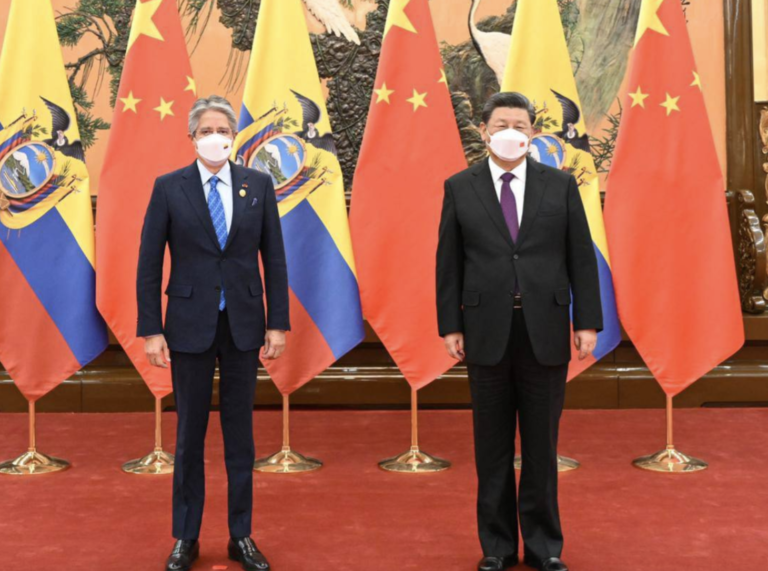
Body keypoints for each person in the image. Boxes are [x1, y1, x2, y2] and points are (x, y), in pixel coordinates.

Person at [436, 92, 603, 571]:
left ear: (533, 133)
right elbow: (448, 262)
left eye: (521, 124)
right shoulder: (460, 186)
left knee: (540, 446)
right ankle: (497, 547)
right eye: (502, 123)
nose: (512, 131)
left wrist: (587, 320)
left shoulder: (560, 185)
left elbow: (580, 258)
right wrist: (450, 325)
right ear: (484, 131)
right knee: (491, 447)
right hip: (484, 328)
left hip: (545, 329)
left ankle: (545, 547)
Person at [137, 95, 290, 571]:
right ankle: (186, 536)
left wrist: (278, 322)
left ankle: (240, 535)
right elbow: (147, 264)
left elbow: (276, 259)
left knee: (240, 435)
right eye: (206, 130)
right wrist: (150, 330)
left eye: (223, 128)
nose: (215, 137)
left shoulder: (258, 185)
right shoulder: (169, 187)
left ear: (234, 136)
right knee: (189, 436)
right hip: (187, 326)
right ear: (192, 137)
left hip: (244, 325)